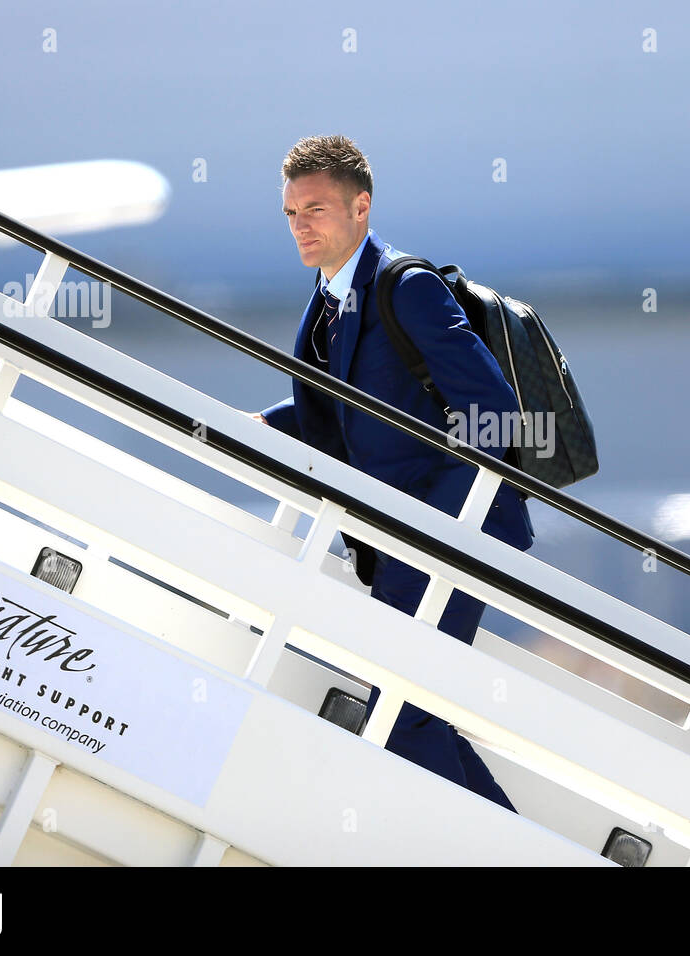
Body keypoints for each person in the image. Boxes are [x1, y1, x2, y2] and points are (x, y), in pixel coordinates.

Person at [251, 135, 533, 810]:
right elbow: (347, 413)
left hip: (447, 538)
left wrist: (435, 532)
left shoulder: (407, 289)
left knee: (400, 712)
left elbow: (495, 414)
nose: (301, 226)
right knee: (411, 709)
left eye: (315, 208)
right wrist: (263, 427)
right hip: (399, 541)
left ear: (361, 206)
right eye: (291, 213)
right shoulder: (326, 299)